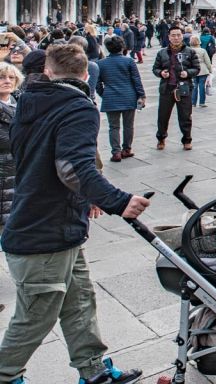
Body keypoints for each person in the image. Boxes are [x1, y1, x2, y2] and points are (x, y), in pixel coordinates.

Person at [0, 43, 149, 384]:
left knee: (79, 301)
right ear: (86, 75)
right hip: (43, 232)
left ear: (48, 72)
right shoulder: (78, 106)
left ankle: (93, 369)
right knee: (36, 316)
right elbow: (71, 168)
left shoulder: (27, 102)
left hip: (58, 225)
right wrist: (116, 199)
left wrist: (87, 198)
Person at [96, 36, 146, 162]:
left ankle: (116, 152)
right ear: (122, 47)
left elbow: (98, 84)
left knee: (113, 126)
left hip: (111, 98)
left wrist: (104, 93)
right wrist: (141, 95)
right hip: (129, 96)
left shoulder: (100, 63)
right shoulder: (129, 61)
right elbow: (136, 80)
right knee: (128, 125)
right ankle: (127, 149)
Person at [152, 25, 200, 151]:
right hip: (167, 88)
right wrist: (161, 73)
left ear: (182, 36)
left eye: (178, 35)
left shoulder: (190, 51)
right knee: (163, 116)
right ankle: (161, 138)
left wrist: (188, 73)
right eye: (173, 35)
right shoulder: (162, 52)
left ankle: (187, 140)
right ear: (169, 37)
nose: (176, 38)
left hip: (184, 89)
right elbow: (155, 68)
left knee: (185, 116)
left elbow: (196, 68)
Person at [0, 62, 22, 238]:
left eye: (11, 77)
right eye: (1, 77)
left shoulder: (22, 104)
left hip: (18, 176)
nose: (7, 81)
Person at [189, 35, 212, 108]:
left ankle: (193, 102)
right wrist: (210, 70)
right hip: (203, 70)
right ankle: (202, 102)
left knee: (194, 86)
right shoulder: (203, 50)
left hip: (193, 70)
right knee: (202, 86)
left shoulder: (189, 50)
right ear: (198, 42)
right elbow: (207, 61)